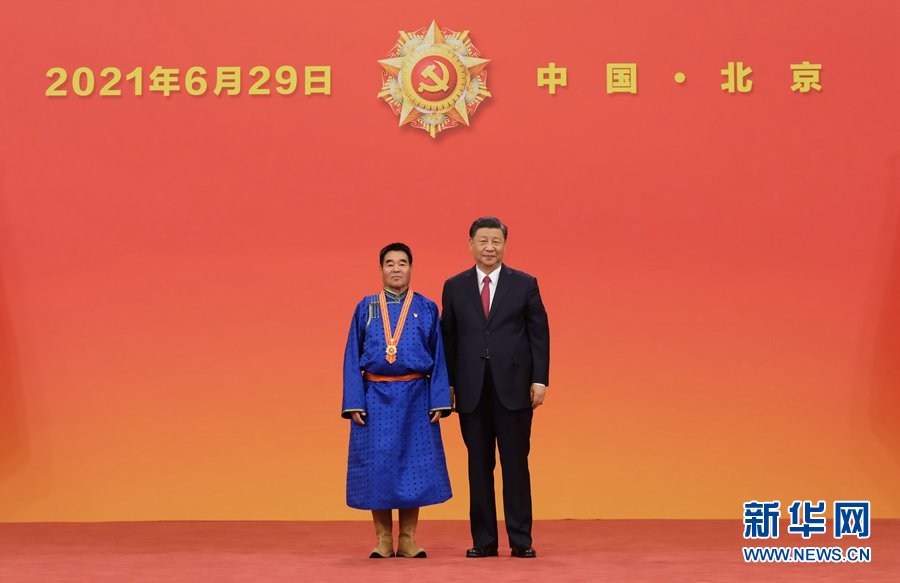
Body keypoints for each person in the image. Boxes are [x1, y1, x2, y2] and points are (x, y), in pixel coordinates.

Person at [441, 217, 550, 559]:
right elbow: (449, 338)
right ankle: (484, 540)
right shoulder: (455, 286)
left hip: (514, 388)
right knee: (478, 466)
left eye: (496, 241)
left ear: (505, 244)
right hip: (471, 390)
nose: (490, 247)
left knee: (515, 464)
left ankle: (521, 539)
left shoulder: (525, 283)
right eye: (483, 241)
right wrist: (449, 384)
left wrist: (540, 379)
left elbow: (539, 334)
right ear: (470, 244)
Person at [341, 242, 453, 559]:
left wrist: (438, 400)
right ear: (381, 269)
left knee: (412, 466)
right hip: (374, 397)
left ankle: (407, 539)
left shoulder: (427, 307)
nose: (396, 269)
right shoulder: (365, 307)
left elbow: (440, 356)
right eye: (389, 263)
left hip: (416, 396)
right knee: (377, 467)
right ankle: (382, 540)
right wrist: (354, 401)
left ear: (411, 268)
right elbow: (351, 356)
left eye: (402, 263)